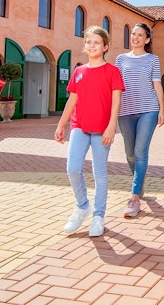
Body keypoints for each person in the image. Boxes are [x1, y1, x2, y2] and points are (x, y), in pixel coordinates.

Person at [54, 26, 124, 237]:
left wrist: (111, 126)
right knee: (73, 168)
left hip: (102, 129)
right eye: (88, 42)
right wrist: (61, 124)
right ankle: (83, 205)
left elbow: (116, 101)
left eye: (97, 42)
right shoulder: (79, 72)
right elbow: (72, 100)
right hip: (80, 126)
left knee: (99, 172)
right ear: (84, 46)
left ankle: (98, 216)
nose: (92, 45)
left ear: (105, 47)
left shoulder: (112, 71)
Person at [115, 23, 164, 219]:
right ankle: (140, 180)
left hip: (148, 110)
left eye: (140, 35)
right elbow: (116, 86)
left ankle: (135, 196)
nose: (135, 38)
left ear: (147, 39)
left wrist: (161, 109)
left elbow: (156, 84)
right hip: (125, 111)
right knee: (130, 154)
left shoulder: (153, 59)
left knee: (140, 150)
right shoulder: (120, 59)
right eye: (133, 34)